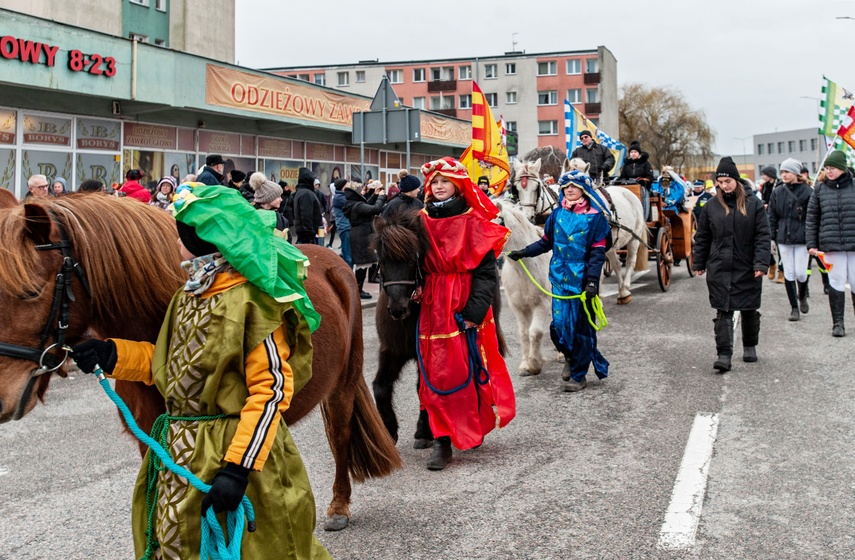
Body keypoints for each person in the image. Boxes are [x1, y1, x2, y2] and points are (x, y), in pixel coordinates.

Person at [69, 183, 330, 560]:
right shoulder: (188, 295)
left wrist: (238, 469)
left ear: (205, 239)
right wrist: (112, 355)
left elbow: (270, 391)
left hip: (235, 455)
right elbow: (170, 363)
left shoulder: (254, 302)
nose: (175, 245)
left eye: (181, 237)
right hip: (181, 455)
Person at [416, 157, 514, 470]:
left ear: (458, 184)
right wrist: (415, 288)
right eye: (435, 182)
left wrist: (474, 311)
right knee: (433, 373)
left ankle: (467, 424)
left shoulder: (473, 221)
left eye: (445, 181)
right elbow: (411, 263)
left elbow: (487, 274)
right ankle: (441, 439)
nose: (439, 186)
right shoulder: (419, 220)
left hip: (461, 307)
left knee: (463, 371)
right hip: (431, 307)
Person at [508, 169, 611, 392]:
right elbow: (545, 243)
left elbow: (598, 253)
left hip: (582, 281)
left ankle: (579, 375)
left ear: (584, 190)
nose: (570, 190)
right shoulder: (556, 215)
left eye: (574, 186)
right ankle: (570, 357)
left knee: (581, 329)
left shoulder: (596, 218)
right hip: (558, 279)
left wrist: (593, 281)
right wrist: (523, 252)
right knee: (559, 326)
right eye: (566, 187)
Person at [692, 156, 771, 372]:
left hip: (747, 264)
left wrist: (761, 263)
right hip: (720, 265)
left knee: (749, 307)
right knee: (723, 310)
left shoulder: (753, 204)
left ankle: (749, 345)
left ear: (736, 180)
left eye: (728, 181)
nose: (724, 185)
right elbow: (703, 237)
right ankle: (724, 355)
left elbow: (763, 236)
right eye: (720, 181)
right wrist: (699, 262)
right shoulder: (711, 206)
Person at [806, 149, 855, 337]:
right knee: (836, 281)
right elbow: (812, 217)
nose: (829, 171)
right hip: (831, 244)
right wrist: (811, 243)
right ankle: (838, 323)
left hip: (853, 243)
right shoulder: (820, 188)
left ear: (842, 168)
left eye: (832, 167)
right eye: (826, 168)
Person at [768, 157, 812, 321]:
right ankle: (794, 308)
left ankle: (802, 295)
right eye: (782, 172)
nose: (784, 175)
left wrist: (812, 238)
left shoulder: (808, 191)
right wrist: (772, 237)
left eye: (787, 171)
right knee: (789, 272)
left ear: (795, 173)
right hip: (783, 237)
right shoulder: (777, 192)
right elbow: (771, 216)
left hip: (802, 237)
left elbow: (813, 216)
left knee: (801, 273)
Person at [343, 180, 386, 299]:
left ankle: (358, 289)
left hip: (359, 234)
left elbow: (367, 206)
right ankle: (358, 290)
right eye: (360, 189)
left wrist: (375, 195)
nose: (363, 190)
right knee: (362, 263)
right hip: (361, 236)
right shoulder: (357, 205)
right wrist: (381, 197)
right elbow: (375, 209)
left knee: (363, 263)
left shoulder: (353, 203)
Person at [618, 140, 654, 219]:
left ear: (639, 154)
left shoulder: (646, 163)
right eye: (631, 152)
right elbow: (623, 176)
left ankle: (644, 216)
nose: (633, 154)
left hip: (642, 187)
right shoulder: (627, 164)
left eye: (635, 152)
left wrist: (643, 181)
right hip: (629, 186)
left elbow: (650, 177)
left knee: (642, 195)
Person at [292, 167, 324, 245]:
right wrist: (310, 234)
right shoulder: (306, 194)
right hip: (307, 236)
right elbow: (306, 215)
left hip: (304, 234)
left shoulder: (300, 192)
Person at [331, 178, 352, 266]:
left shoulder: (342, 196)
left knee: (346, 252)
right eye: (347, 185)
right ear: (343, 187)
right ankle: (348, 275)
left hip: (345, 226)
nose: (349, 186)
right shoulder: (339, 198)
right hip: (345, 227)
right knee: (348, 256)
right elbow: (352, 205)